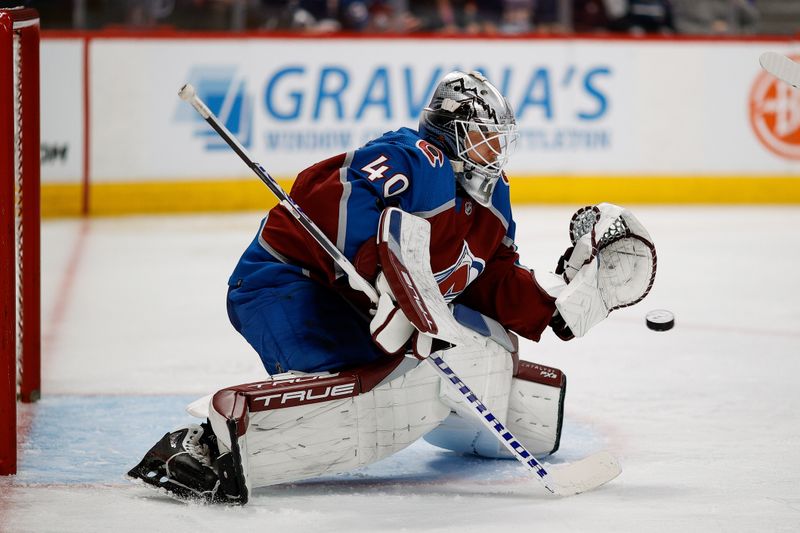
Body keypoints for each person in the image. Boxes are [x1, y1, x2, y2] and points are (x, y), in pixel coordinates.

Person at [128, 71, 655, 504]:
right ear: (450, 131)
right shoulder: (414, 157)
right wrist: (379, 277)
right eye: (484, 138)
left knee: (489, 342)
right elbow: (329, 190)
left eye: (500, 141)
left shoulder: (494, 201)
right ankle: (205, 446)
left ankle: (455, 405)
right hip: (284, 283)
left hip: (368, 307)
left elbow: (491, 275)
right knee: (382, 382)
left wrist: (552, 310)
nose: (494, 152)